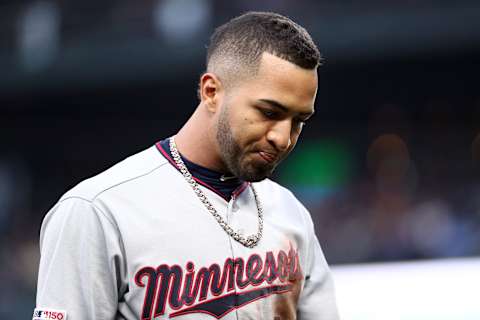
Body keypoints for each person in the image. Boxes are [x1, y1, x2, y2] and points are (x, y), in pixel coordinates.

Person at [34, 11, 339, 320]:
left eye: (299, 121)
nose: (283, 138)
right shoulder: (97, 210)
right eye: (269, 112)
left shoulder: (291, 213)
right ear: (211, 92)